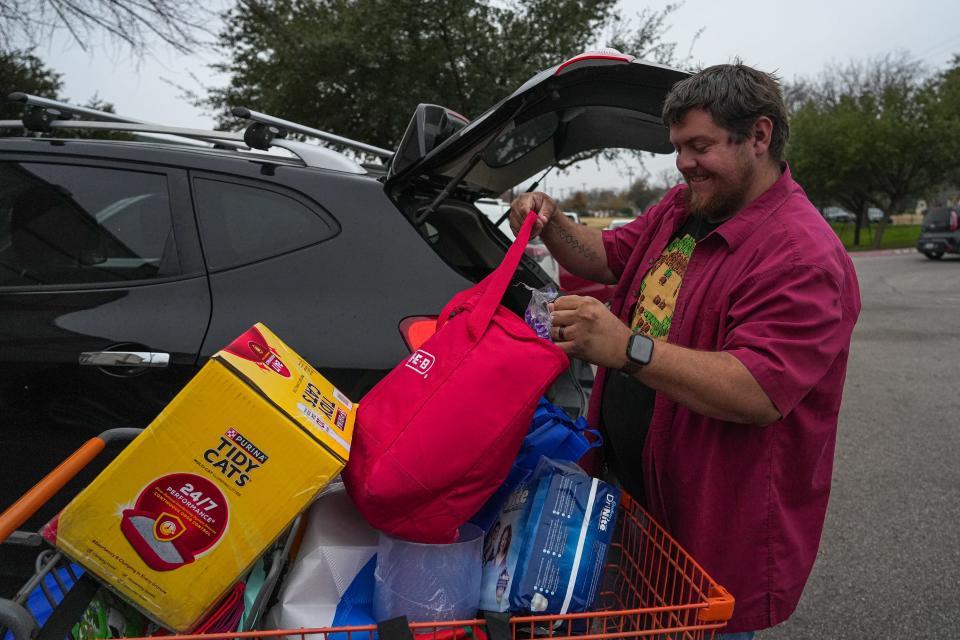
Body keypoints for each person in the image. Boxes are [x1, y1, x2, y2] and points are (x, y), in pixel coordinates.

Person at [508, 62, 860, 637]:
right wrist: (550, 220)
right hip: (639, 498)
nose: (685, 163)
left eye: (700, 146)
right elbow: (602, 255)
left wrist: (625, 348)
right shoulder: (686, 208)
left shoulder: (800, 256)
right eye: (678, 148)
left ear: (760, 136)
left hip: (711, 525)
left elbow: (756, 390)